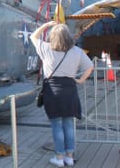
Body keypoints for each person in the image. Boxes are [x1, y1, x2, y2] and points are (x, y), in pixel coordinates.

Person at [30, 21, 94, 167]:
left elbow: (33, 36)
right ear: (68, 37)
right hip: (70, 90)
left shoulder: (46, 49)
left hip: (52, 91)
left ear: (53, 37)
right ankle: (69, 157)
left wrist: (47, 24)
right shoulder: (76, 51)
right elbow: (90, 67)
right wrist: (81, 80)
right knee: (69, 124)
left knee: (56, 125)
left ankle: (59, 157)